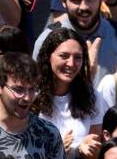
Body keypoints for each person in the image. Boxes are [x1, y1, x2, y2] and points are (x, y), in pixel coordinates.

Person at [33, 28, 102, 157]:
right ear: (48, 56)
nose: (71, 64)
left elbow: (95, 152)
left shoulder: (92, 97)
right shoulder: (31, 96)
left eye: (77, 57)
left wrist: (86, 150)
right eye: (64, 56)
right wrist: (56, 151)